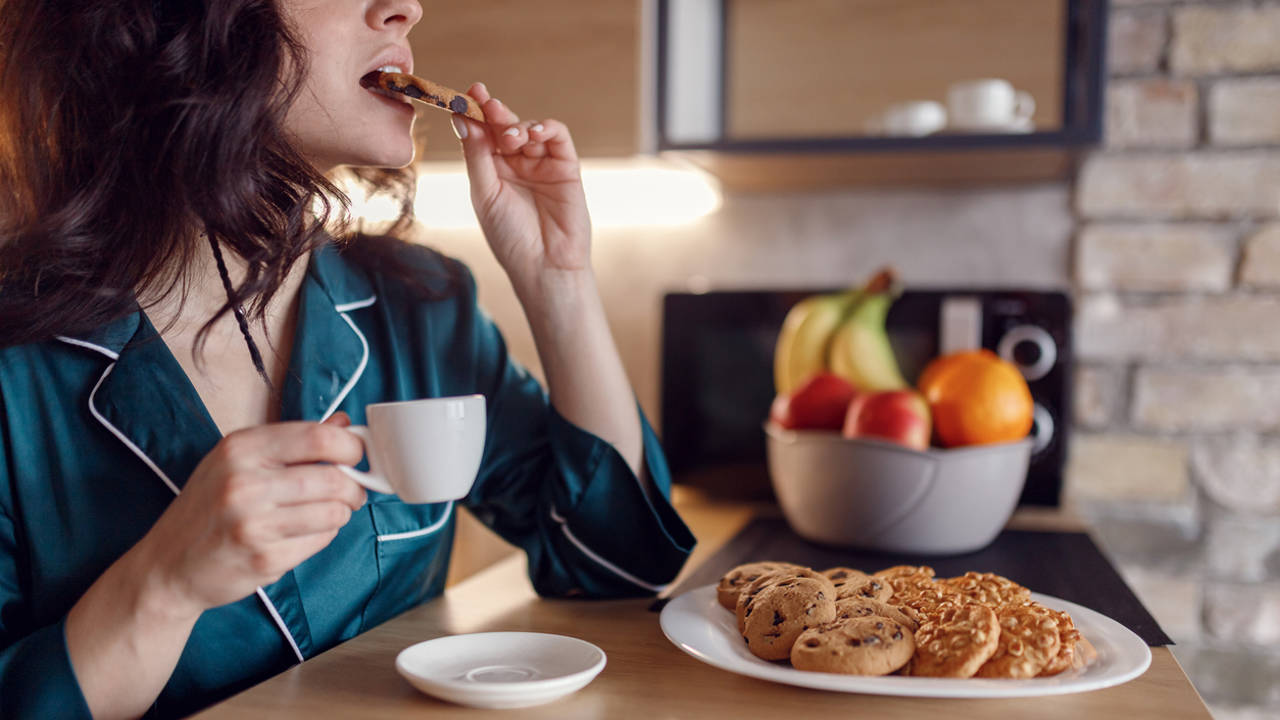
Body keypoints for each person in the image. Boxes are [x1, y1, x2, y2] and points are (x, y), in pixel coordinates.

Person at [0, 1, 695, 717]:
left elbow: (617, 565)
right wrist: (162, 584)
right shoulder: (13, 368)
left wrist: (560, 281)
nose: (407, 8)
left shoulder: (423, 306)